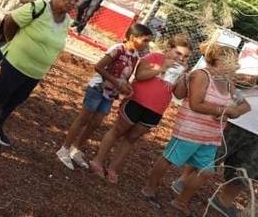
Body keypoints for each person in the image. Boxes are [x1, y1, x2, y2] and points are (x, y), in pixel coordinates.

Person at [0, 0, 80, 149]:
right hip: (16, 63)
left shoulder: (67, 20)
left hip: (36, 71)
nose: (73, 3)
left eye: (76, 0)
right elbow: (11, 20)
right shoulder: (39, 7)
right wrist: (12, 41)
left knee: (16, 99)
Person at [141, 41, 250, 215]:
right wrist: (223, 110)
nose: (236, 65)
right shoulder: (201, 75)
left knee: (206, 171)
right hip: (190, 130)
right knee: (169, 158)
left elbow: (245, 105)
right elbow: (195, 104)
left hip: (211, 135)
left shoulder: (228, 83)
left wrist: (234, 111)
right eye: (232, 61)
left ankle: (181, 201)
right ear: (219, 61)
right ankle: (149, 188)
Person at [89, 35, 191, 182]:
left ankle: (113, 168)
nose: (181, 58)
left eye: (186, 56)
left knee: (132, 138)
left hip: (156, 109)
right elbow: (140, 75)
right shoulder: (154, 57)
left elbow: (179, 94)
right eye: (178, 53)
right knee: (117, 131)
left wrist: (184, 78)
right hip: (137, 101)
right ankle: (97, 161)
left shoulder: (181, 70)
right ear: (169, 49)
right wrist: (163, 68)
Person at [55, 23, 153, 171]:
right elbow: (99, 67)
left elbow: (125, 76)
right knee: (83, 118)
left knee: (96, 122)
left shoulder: (134, 56)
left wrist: (126, 87)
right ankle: (64, 148)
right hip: (98, 88)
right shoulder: (118, 49)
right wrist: (116, 82)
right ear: (133, 37)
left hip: (110, 94)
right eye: (145, 40)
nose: (147, 44)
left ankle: (76, 148)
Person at [170, 89, 258, 217]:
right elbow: (234, 82)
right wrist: (224, 108)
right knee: (210, 157)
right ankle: (184, 183)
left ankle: (224, 202)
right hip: (237, 118)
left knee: (246, 171)